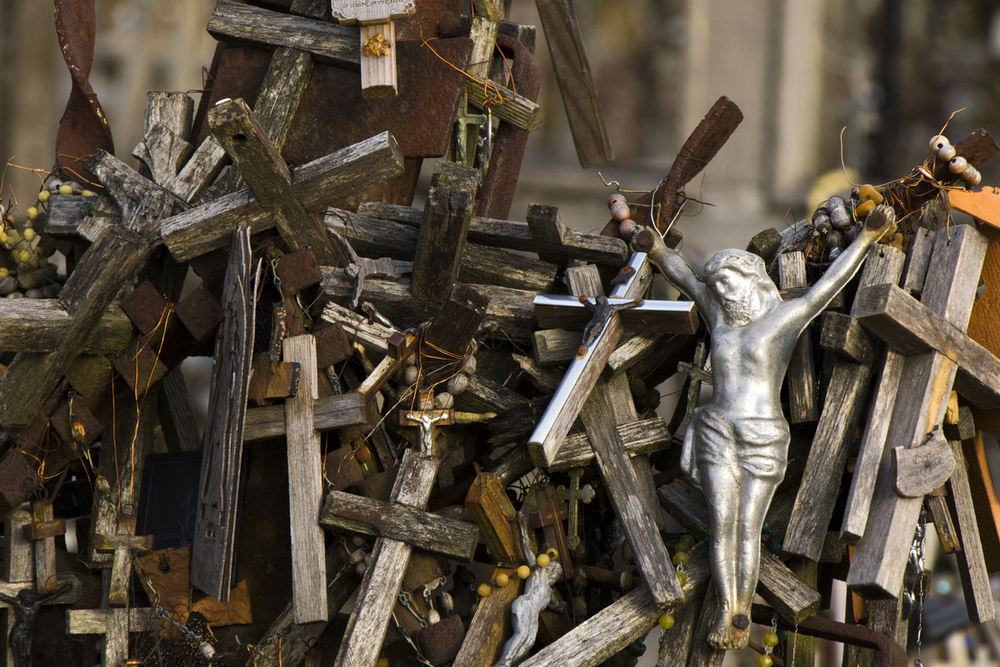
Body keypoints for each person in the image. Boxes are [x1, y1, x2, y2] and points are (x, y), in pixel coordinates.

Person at [632, 203, 893, 649]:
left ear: (753, 280)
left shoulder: (782, 320)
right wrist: (655, 250)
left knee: (747, 527)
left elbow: (826, 288)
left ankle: (739, 611)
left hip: (761, 435)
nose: (721, 292)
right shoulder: (719, 320)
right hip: (717, 428)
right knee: (721, 521)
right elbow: (686, 278)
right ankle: (725, 607)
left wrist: (866, 238)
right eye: (717, 286)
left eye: (729, 282)